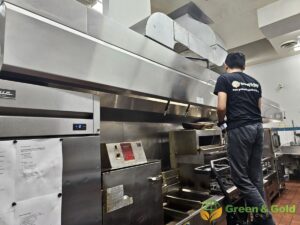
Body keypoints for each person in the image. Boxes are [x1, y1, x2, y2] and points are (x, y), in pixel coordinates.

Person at [214, 52, 275, 225]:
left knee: (239, 177)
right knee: (255, 177)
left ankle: (266, 217)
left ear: (226, 65)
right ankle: (260, 219)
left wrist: (221, 123)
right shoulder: (255, 83)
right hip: (257, 128)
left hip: (239, 129)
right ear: (244, 66)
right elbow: (258, 108)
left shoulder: (224, 79)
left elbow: (221, 107)